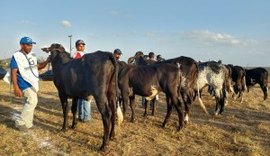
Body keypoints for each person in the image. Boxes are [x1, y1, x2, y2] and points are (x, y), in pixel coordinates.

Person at [3, 37, 49, 132]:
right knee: (32, 101)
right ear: (22, 45)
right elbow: (13, 72)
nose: (30, 47)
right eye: (28, 45)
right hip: (23, 82)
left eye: (31, 45)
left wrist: (47, 61)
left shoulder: (32, 55)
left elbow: (37, 67)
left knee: (30, 101)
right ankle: (20, 122)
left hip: (32, 81)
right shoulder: (17, 56)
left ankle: (28, 123)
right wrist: (16, 87)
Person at [73, 39, 91, 122]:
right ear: (76, 46)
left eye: (83, 45)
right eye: (80, 45)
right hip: (82, 79)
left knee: (81, 98)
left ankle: (81, 116)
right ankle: (86, 117)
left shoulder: (84, 54)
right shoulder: (77, 55)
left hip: (81, 79)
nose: (82, 46)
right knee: (86, 98)